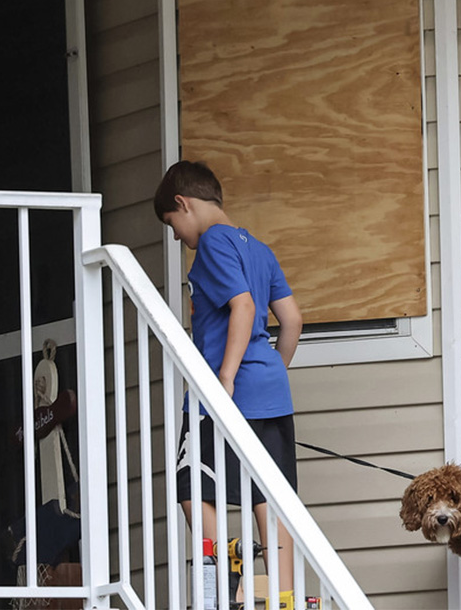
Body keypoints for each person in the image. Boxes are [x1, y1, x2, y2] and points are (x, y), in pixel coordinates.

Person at [154, 160, 303, 607]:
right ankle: (284, 597)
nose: (178, 237)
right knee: (270, 499)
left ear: (183, 204)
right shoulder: (258, 248)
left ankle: (227, 576)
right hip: (270, 391)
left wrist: (226, 378)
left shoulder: (214, 244)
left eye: (172, 225)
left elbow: (240, 307)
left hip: (225, 393)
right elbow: (292, 320)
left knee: (190, 483)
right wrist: (269, 373)